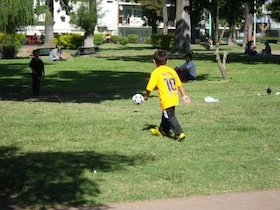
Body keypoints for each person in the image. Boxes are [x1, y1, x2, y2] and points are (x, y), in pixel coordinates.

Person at [144, 50, 191, 142]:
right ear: (167, 61)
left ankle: (179, 133)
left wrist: (146, 96)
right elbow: (179, 84)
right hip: (174, 96)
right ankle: (162, 131)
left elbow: (149, 88)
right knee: (166, 114)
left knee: (170, 116)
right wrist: (184, 95)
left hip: (166, 98)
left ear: (154, 61)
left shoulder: (156, 72)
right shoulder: (171, 71)